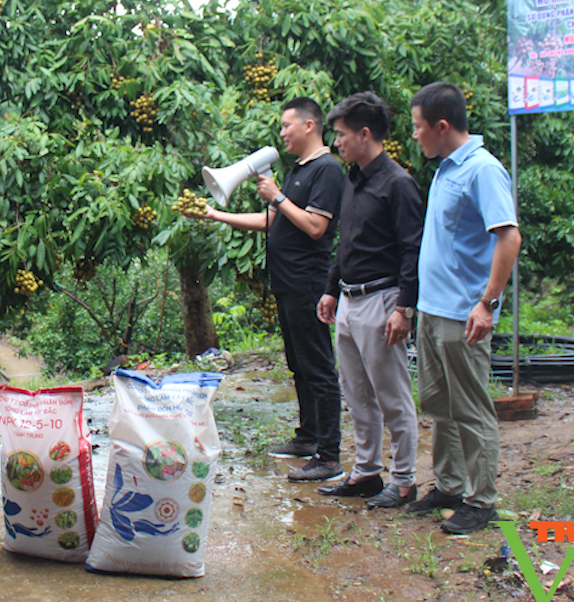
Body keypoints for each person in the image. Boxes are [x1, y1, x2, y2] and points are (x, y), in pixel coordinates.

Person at [181, 97, 345, 481]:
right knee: (298, 365)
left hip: (308, 282)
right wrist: (215, 215)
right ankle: (307, 437)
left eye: (288, 125)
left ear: (309, 126)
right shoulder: (296, 171)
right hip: (287, 283)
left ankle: (330, 455)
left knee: (319, 368)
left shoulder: (327, 170)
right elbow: (273, 221)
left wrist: (279, 197)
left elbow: (316, 227)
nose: (282, 132)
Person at [405, 81, 521, 534]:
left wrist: (487, 302)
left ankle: (481, 499)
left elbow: (507, 236)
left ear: (442, 125)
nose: (415, 136)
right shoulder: (445, 168)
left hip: (463, 313)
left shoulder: (482, 170)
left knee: (470, 407)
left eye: (418, 128)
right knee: (440, 404)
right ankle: (449, 486)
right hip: (433, 309)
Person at [315, 92, 424, 508]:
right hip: (348, 299)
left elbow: (412, 248)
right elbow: (347, 243)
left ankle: (405, 478)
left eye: (341, 135)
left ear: (365, 134)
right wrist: (330, 288)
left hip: (382, 299)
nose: (336, 142)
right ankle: (365, 472)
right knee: (356, 393)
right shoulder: (353, 180)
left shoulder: (397, 183)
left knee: (391, 394)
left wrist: (404, 307)